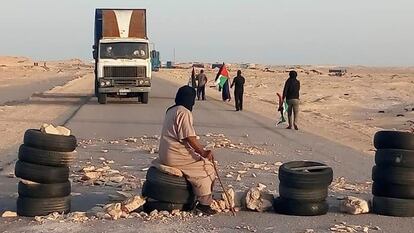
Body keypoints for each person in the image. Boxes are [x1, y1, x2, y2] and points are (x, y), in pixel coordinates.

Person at [158, 86, 217, 215]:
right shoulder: (184, 112)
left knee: (199, 161)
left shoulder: (171, 110)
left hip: (165, 152)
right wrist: (203, 152)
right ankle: (204, 204)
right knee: (206, 168)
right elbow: (189, 137)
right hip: (175, 154)